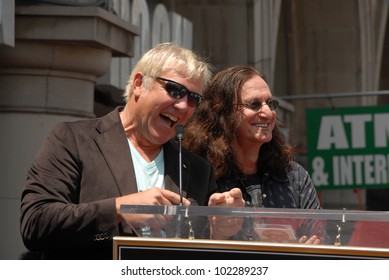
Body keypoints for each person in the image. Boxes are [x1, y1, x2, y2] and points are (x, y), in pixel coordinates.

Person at [20, 43, 244, 260]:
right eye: (175, 90)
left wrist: (219, 229)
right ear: (139, 83)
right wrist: (121, 209)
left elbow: (201, 256)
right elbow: (36, 223)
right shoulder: (73, 139)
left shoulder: (198, 169)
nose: (183, 106)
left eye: (193, 99)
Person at [183, 65, 326, 244]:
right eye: (254, 104)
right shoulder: (198, 175)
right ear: (224, 112)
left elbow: (320, 240)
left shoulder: (294, 177)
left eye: (270, 103)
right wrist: (217, 231)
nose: (267, 113)